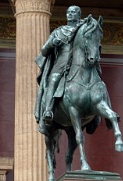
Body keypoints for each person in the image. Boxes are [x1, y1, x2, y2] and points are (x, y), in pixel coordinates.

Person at [35, 5, 86, 135]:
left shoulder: (84, 29)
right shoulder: (58, 32)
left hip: (80, 64)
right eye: (68, 12)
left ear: (79, 15)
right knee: (53, 80)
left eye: (73, 12)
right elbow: (44, 51)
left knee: (97, 81)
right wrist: (53, 43)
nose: (70, 14)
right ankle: (48, 110)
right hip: (61, 64)